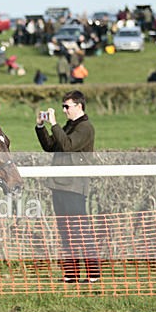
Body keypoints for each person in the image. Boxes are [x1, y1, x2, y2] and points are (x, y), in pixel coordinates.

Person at [35, 90, 101, 283]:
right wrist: (41, 126)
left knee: (80, 230)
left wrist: (54, 124)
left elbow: (67, 145)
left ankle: (93, 273)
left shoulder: (85, 128)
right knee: (65, 232)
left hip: (74, 187)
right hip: (60, 186)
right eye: (62, 106)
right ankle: (71, 274)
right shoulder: (69, 126)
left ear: (79, 106)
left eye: (67, 106)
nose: (64, 110)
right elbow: (51, 146)